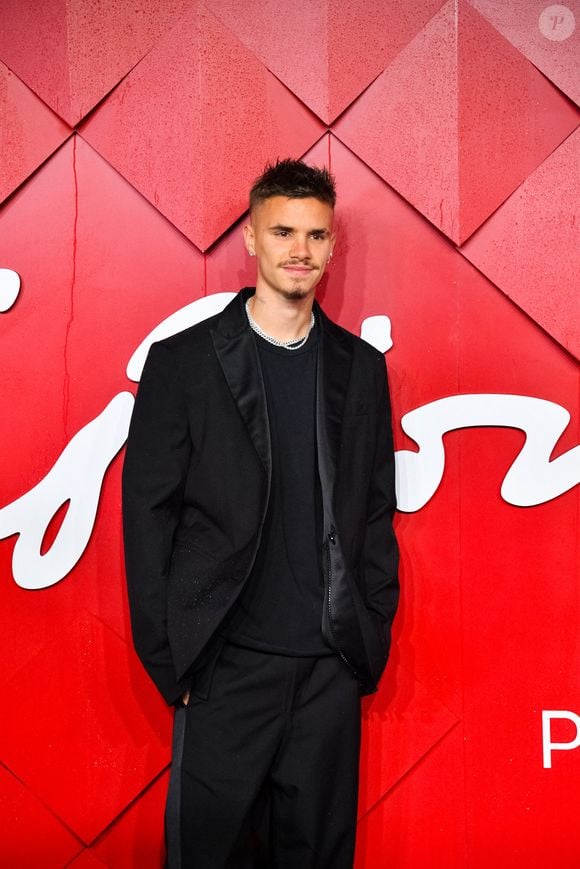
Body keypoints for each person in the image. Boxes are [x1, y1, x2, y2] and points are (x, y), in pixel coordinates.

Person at [122, 159, 399, 868]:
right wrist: (170, 652)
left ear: (333, 246)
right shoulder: (182, 362)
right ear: (250, 238)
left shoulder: (361, 368)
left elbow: (372, 512)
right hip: (223, 663)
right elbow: (146, 512)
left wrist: (367, 635)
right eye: (282, 230)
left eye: (314, 233)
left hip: (327, 667)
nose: (299, 248)